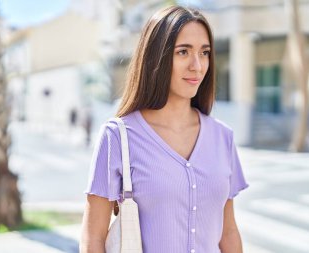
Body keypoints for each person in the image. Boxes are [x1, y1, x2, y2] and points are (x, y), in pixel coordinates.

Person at [80, 5, 249, 253]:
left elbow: (229, 232)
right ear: (156, 57)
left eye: (204, 53)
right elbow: (92, 239)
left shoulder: (222, 137)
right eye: (183, 52)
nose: (197, 66)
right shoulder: (118, 137)